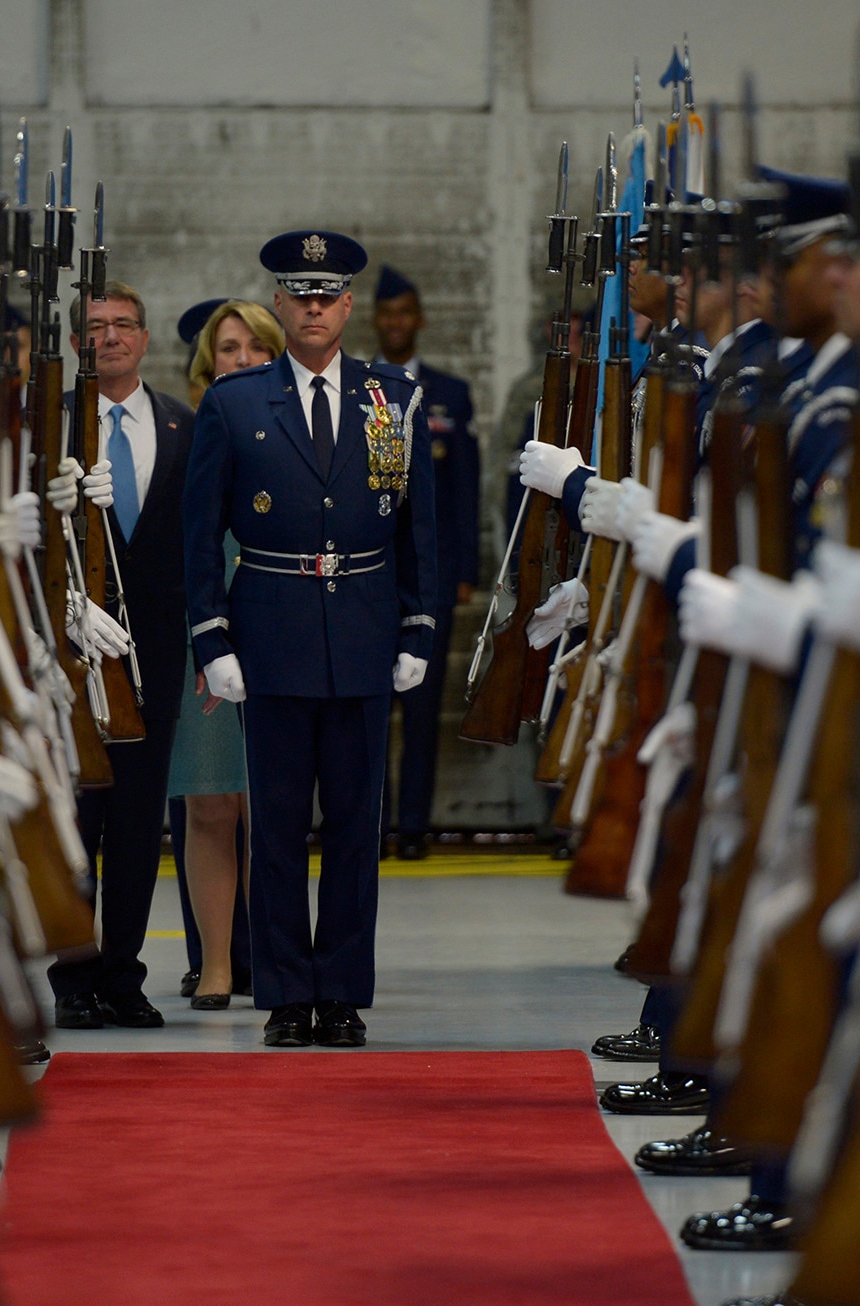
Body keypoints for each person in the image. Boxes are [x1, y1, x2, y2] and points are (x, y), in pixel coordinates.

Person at [183, 229, 439, 1049]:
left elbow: (415, 529)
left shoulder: (390, 398)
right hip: (273, 634)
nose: (315, 307)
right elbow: (199, 536)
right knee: (282, 826)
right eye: (300, 294)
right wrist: (211, 640)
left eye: (328, 294)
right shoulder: (236, 402)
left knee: (358, 828)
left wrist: (418, 625)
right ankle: (290, 994)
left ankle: (343, 993)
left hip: (364, 633)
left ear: (349, 305)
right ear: (280, 305)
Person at [43, 279, 194, 1030]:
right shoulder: (53, 424)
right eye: (95, 326)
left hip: (156, 651)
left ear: (144, 337)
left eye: (123, 324)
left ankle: (124, 976)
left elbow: (196, 542)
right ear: (76, 343)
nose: (109, 337)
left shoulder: (181, 425)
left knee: (138, 823)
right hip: (71, 651)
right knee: (77, 819)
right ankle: (73, 977)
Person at [169, 298, 283, 1007]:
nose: (240, 359)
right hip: (207, 626)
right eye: (228, 349)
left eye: (254, 347)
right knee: (211, 804)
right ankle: (214, 965)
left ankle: (270, 959)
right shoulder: (186, 433)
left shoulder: (309, 429)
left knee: (270, 807)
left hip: (282, 621)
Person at [371, 265, 480, 859]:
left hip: (431, 579)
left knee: (421, 709)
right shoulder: (361, 388)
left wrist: (465, 570)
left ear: (419, 319)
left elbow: (464, 488)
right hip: (373, 576)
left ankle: (412, 828)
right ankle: (375, 824)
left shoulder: (449, 394)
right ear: (375, 321)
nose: (395, 323)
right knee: (369, 714)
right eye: (386, 314)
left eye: (405, 312)